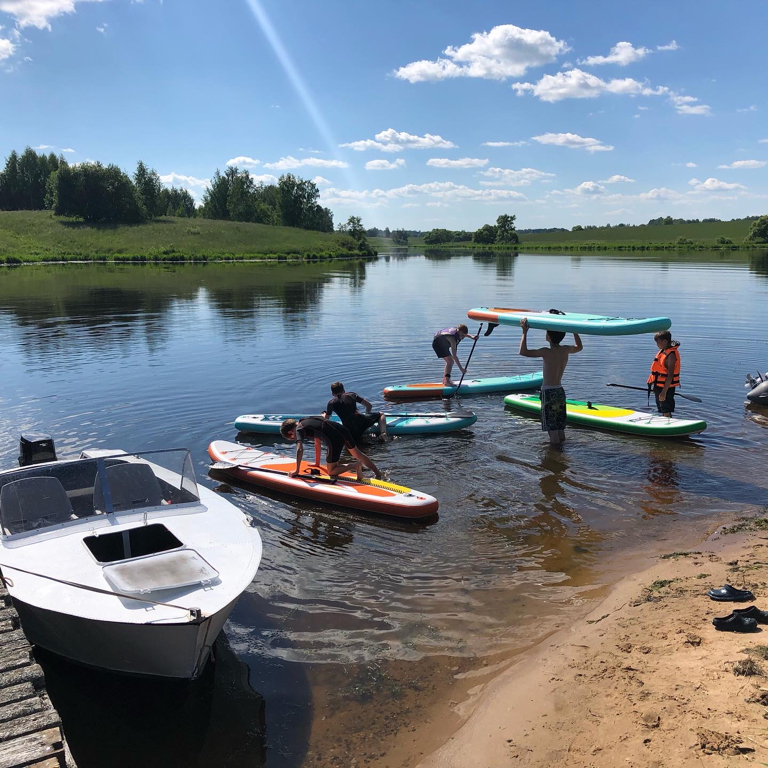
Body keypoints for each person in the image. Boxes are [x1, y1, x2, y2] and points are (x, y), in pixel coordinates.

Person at [519, 318, 583, 445]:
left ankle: (555, 453)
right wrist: (575, 331)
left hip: (548, 393)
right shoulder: (565, 350)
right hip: (559, 391)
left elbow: (523, 351)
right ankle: (561, 451)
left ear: (548, 336)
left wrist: (524, 332)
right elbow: (579, 347)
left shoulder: (546, 352)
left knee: (552, 429)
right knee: (559, 426)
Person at [279, 416, 381, 480]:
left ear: (290, 432)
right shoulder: (306, 420)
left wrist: (296, 470)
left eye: (292, 438)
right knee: (357, 454)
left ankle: (355, 465)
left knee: (331, 472)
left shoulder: (298, 430)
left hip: (334, 438)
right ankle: (378, 474)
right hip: (342, 430)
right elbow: (317, 441)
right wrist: (317, 463)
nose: (294, 438)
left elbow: (300, 449)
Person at [322, 381, 388, 442]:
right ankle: (383, 433)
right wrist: (367, 414)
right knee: (381, 414)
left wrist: (324, 415)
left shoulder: (331, 403)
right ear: (344, 390)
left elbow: (326, 420)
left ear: (333, 394)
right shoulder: (352, 395)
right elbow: (369, 406)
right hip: (362, 421)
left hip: (349, 429)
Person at [647, 331, 681, 417]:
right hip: (658, 385)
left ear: (665, 341)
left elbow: (670, 376)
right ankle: (664, 421)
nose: (657, 344)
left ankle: (669, 423)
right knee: (662, 408)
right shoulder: (663, 351)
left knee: (666, 410)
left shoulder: (671, 356)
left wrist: (664, 392)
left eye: (658, 342)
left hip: (666, 387)